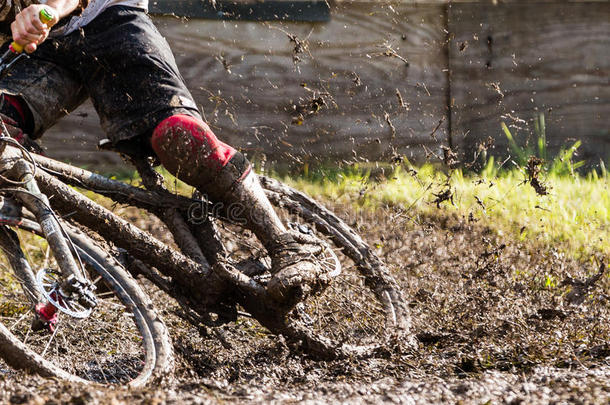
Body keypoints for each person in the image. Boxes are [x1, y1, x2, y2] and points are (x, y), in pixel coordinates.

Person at [0, 0, 324, 304]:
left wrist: (48, 7)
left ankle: (286, 245)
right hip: (36, 49)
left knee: (180, 137)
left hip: (108, 19)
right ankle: (88, 255)